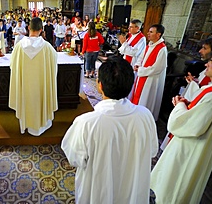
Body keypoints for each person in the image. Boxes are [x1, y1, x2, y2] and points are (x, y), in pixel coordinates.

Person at [62, 56, 158, 203]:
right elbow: (152, 151)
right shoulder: (145, 116)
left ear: (99, 85)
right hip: (132, 188)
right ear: (131, 84)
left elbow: (74, 158)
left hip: (98, 190)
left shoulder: (86, 122)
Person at [150, 49, 212, 203]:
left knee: (175, 187)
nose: (207, 65)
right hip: (197, 147)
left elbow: (186, 125)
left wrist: (179, 105)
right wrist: (187, 105)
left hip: (188, 149)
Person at [9, 17, 58, 136]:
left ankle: (27, 124)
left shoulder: (19, 47)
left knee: (26, 99)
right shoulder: (47, 47)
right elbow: (54, 66)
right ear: (41, 30)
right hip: (41, 87)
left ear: (28, 28)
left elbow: (12, 67)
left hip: (25, 88)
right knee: (42, 98)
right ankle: (42, 126)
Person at [131, 24, 168, 121]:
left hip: (150, 80)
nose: (148, 33)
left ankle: (143, 119)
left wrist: (141, 70)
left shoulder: (162, 49)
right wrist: (137, 64)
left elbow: (157, 68)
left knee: (146, 99)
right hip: (141, 76)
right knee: (137, 97)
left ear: (158, 35)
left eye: (151, 32)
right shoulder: (150, 45)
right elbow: (141, 57)